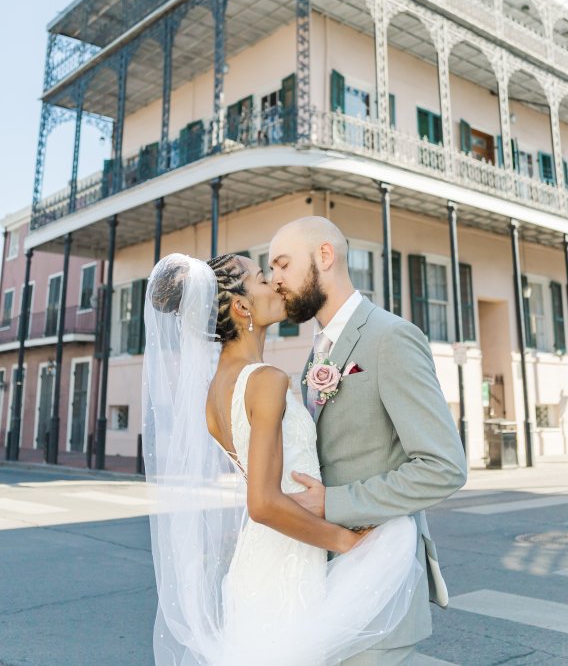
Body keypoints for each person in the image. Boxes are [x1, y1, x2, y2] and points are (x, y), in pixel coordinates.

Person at [143, 252, 421, 666]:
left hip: (258, 565)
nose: (274, 283)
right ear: (241, 306)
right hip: (284, 565)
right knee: (397, 535)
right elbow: (263, 502)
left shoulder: (214, 394)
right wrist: (348, 543)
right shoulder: (265, 380)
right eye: (260, 278)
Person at [268, 216, 468, 665]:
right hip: (328, 582)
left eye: (282, 264)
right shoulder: (318, 349)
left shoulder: (389, 338)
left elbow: (444, 467)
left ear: (325, 256)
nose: (275, 279)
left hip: (379, 581)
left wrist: (332, 503)